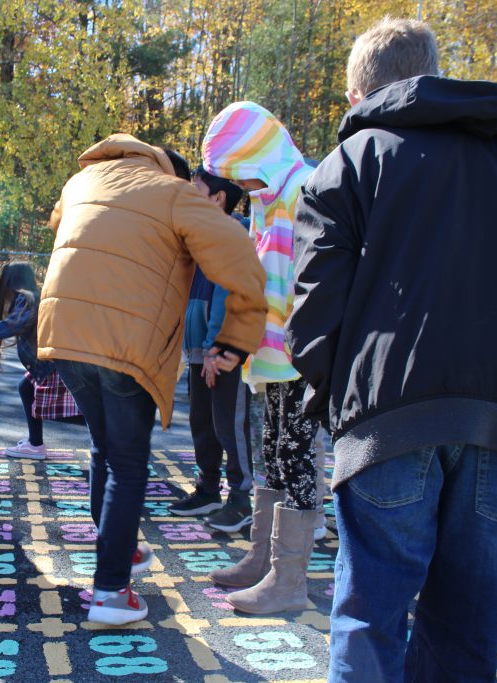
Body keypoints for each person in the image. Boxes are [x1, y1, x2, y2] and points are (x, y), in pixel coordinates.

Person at [285, 18, 497, 682]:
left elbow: (311, 317)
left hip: (388, 425)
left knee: (370, 624)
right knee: (467, 637)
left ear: (359, 92)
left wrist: (338, 414)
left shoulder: (352, 162)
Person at [38, 134, 268, 625]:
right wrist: (234, 340)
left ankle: (117, 552)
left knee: (105, 449)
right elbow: (242, 258)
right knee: (126, 460)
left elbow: (61, 224)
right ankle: (111, 592)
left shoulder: (82, 180)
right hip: (127, 343)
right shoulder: (175, 193)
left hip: (63, 332)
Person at [199, 101, 320, 615]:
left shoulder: (306, 190)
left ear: (258, 157)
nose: (237, 189)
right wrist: (237, 344)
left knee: (296, 460)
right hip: (269, 360)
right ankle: (263, 559)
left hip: (301, 360)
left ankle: (289, 579)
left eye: (239, 176)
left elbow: (312, 281)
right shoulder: (266, 199)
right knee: (272, 454)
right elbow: (256, 281)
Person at [169, 168, 255, 530]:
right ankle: (207, 490)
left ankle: (241, 499)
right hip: (200, 350)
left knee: (228, 423)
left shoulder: (231, 233)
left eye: (196, 189)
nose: (190, 195)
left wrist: (215, 348)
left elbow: (228, 294)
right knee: (202, 421)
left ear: (217, 198)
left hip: (222, 351)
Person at [0, 261, 85, 460]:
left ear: (10, 283)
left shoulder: (28, 299)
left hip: (52, 364)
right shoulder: (33, 298)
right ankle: (35, 444)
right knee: (26, 388)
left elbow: (15, 323)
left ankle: (110, 434)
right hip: (44, 363)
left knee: (76, 410)